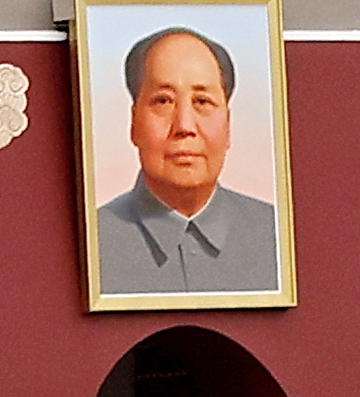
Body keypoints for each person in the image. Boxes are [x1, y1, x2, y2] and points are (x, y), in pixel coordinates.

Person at [92, 23, 281, 295]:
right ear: (134, 123)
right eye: (163, 101)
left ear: (228, 124)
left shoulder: (277, 236)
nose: (184, 126)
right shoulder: (94, 241)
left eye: (202, 102)